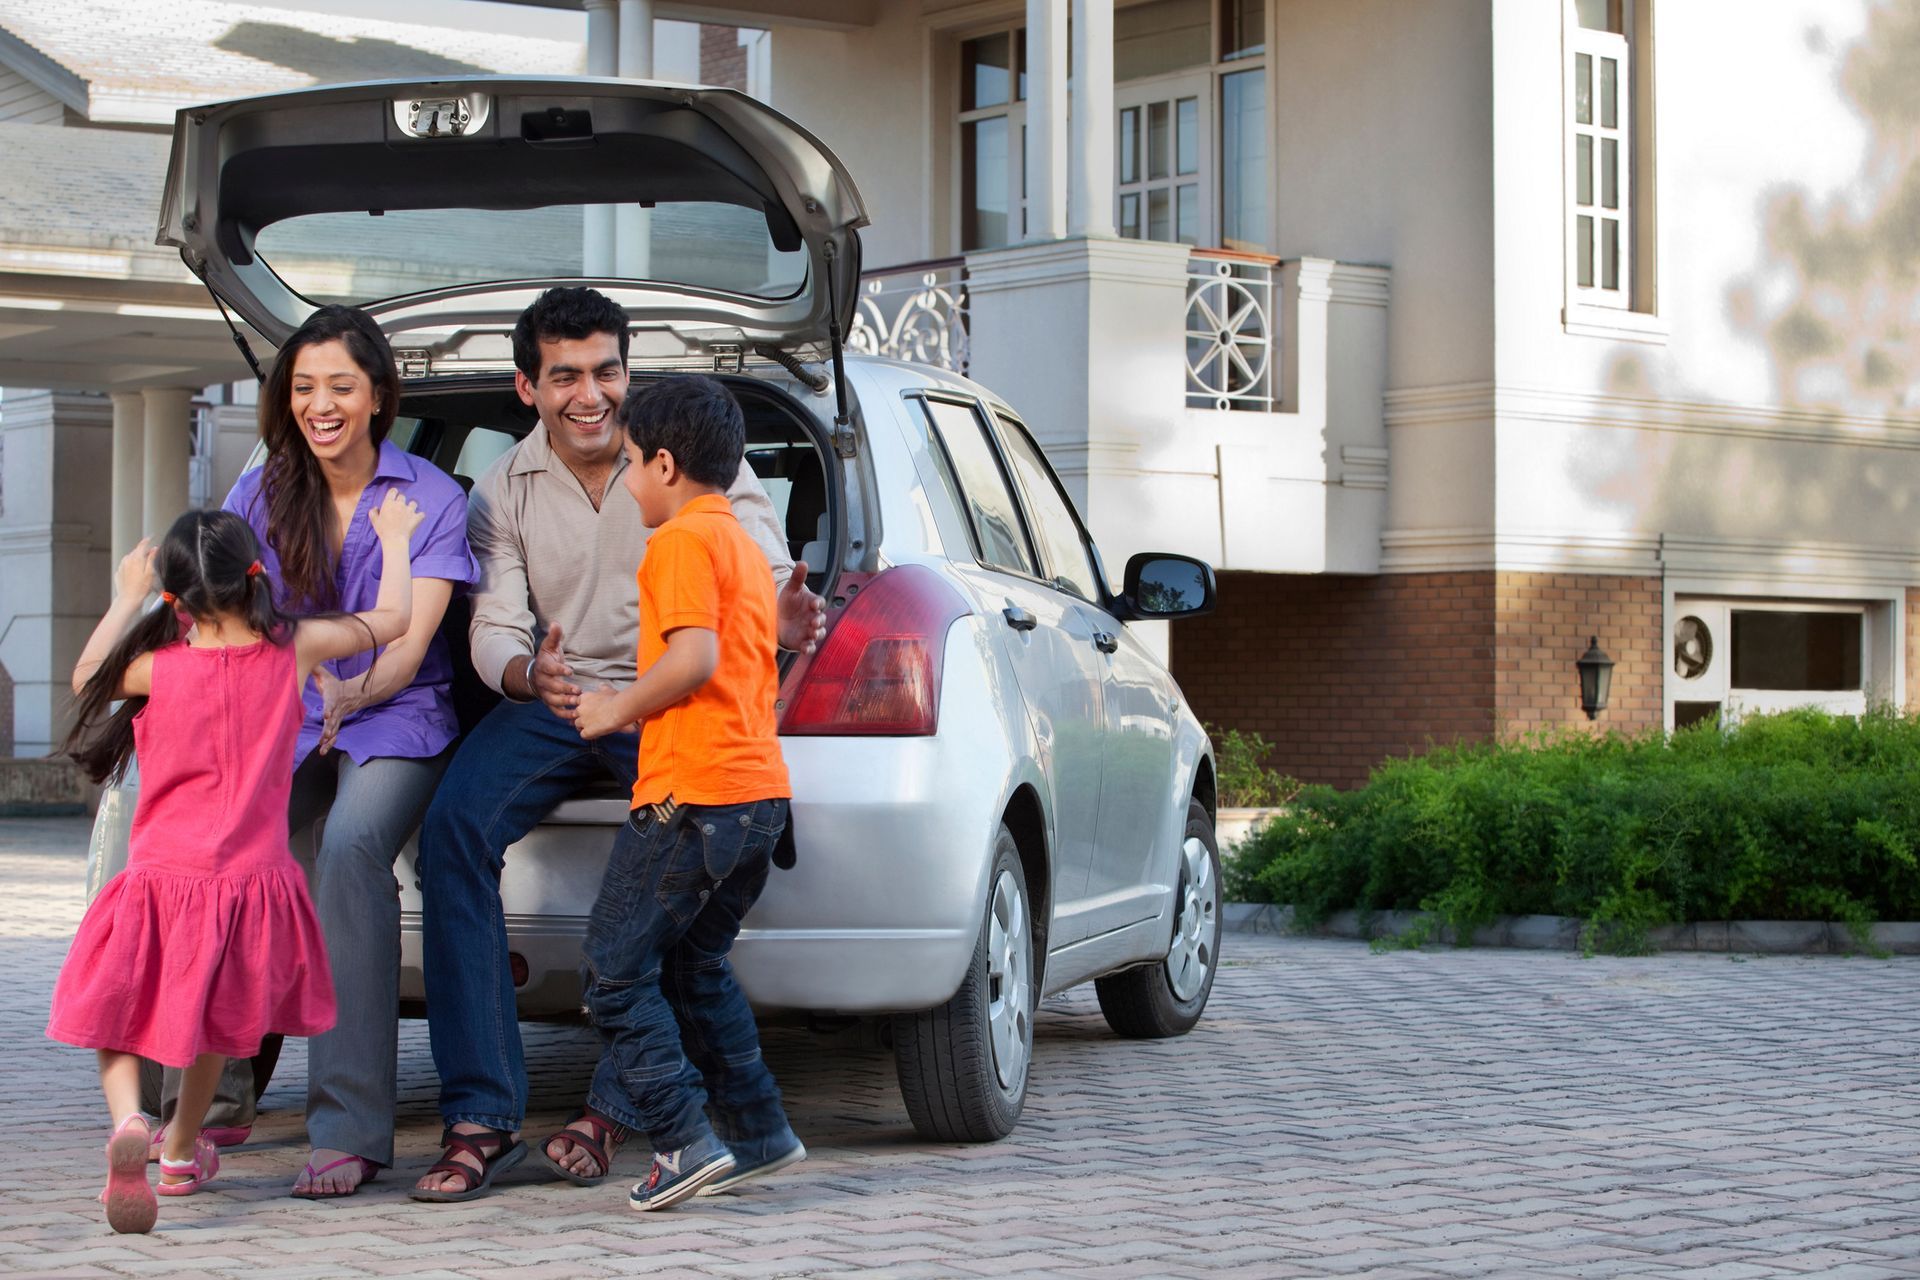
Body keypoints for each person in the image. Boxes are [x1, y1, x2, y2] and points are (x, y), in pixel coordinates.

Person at [409, 287, 825, 1202]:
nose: (590, 394)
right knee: (453, 830)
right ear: (529, 387)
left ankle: (614, 1109)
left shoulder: (700, 466)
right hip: (557, 697)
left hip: (668, 701)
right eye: (565, 376)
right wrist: (528, 675)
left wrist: (784, 622)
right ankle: (482, 1116)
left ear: (627, 374)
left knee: (659, 891)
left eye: (606, 371)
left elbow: (748, 582)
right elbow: (493, 626)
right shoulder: (500, 491)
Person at [149, 305, 478, 1199]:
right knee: (225, 856)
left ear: (379, 397)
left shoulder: (432, 499)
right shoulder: (258, 496)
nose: (320, 404)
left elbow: (408, 648)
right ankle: (206, 1108)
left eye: (340, 386)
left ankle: (350, 1129)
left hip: (400, 718)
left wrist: (348, 693)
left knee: (346, 851)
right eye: (302, 388)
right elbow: (227, 623)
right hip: (285, 717)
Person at [48, 496, 422, 1233]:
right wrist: (399, 541)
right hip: (249, 880)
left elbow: (87, 673)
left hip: (161, 875)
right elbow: (392, 623)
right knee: (219, 1026)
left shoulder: (159, 669)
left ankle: (131, 1124)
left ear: (175, 597)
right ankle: (182, 1151)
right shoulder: (295, 649)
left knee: (116, 1014)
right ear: (257, 573)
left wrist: (127, 595)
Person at [564, 375, 798, 1210]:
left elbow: (692, 658)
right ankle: (758, 1131)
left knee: (616, 974)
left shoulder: (676, 544)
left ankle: (682, 1141)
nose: (626, 481)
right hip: (757, 798)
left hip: (688, 799)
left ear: (665, 464)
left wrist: (612, 708)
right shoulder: (737, 539)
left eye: (630, 463)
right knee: (698, 967)